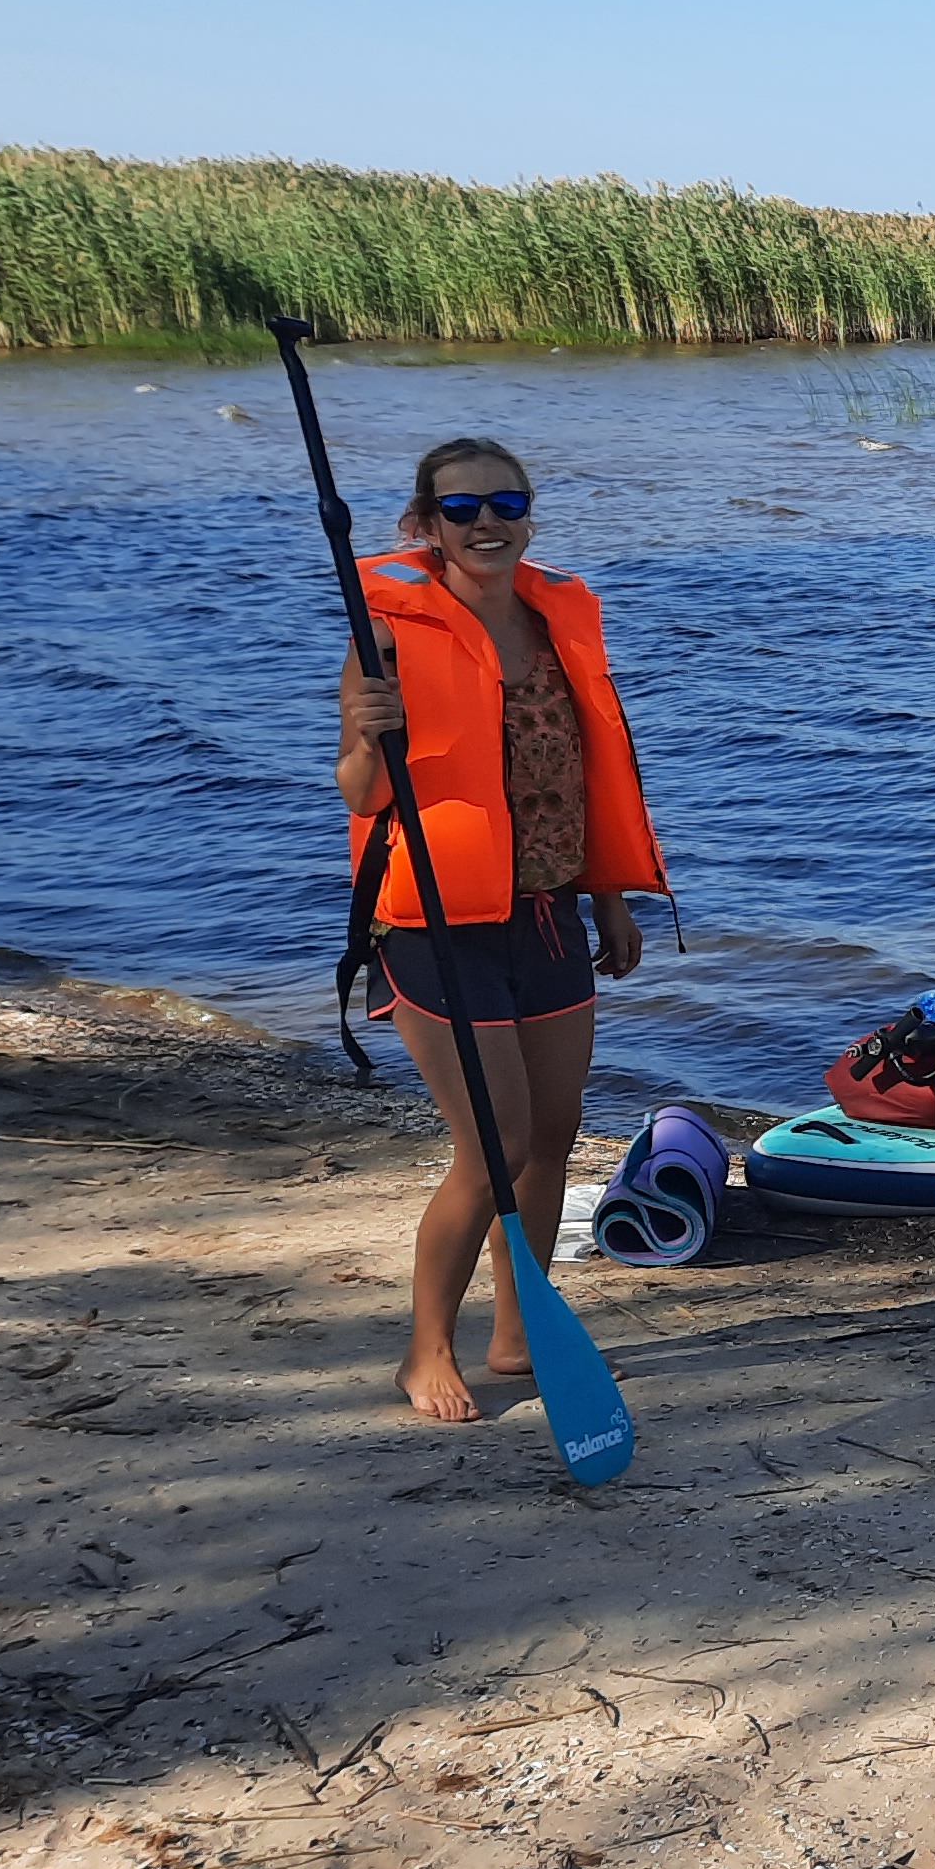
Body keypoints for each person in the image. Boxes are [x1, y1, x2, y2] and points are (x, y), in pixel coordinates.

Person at [332, 437, 668, 1425]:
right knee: (493, 1141)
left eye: (505, 503)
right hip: (437, 923)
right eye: (461, 509)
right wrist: (365, 729)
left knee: (553, 1134)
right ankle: (424, 1347)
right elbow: (359, 793)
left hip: (549, 915)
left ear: (529, 513)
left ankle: (520, 1329)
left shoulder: (553, 621)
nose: (486, 523)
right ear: (424, 526)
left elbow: (580, 777)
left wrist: (608, 898)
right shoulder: (385, 633)